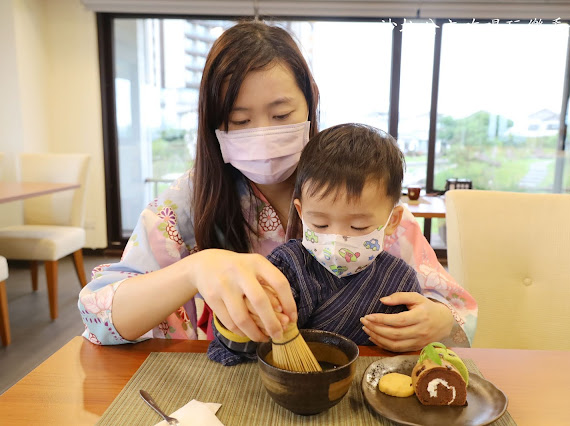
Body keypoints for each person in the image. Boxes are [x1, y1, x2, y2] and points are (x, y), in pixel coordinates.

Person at [78, 21, 477, 353]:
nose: (264, 136)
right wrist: (194, 269)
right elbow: (99, 314)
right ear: (215, 126)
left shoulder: (363, 192)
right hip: (231, 384)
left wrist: (438, 320)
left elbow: (458, 310)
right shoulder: (191, 200)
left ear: (310, 106)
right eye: (240, 120)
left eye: (281, 113)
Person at [208, 123, 427, 365]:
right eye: (320, 225)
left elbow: (411, 357)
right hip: (288, 381)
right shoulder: (287, 265)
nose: (336, 241)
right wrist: (245, 316)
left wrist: (415, 335)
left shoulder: (399, 281)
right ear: (301, 212)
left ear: (392, 220)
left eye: (358, 228)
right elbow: (245, 347)